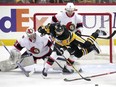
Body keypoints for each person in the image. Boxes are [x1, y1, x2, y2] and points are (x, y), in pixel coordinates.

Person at [38, 22, 107, 78]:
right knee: (76, 54)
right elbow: (42, 28)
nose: (60, 32)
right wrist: (41, 30)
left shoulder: (65, 35)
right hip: (61, 43)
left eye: (61, 31)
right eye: (59, 32)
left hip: (72, 39)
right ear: (55, 30)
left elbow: (63, 44)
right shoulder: (51, 27)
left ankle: (97, 33)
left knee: (87, 45)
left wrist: (61, 49)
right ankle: (45, 69)